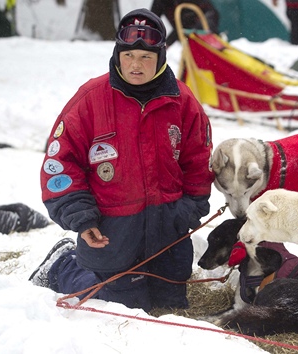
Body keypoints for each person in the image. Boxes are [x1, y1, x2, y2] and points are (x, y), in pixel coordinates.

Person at [30, 8, 214, 312]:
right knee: (119, 309)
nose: (136, 66)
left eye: (145, 57)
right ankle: (63, 265)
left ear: (161, 58)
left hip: (168, 232)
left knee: (170, 307)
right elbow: (61, 162)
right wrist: (81, 217)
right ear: (117, 54)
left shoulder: (182, 101)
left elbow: (199, 159)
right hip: (111, 232)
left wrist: (189, 209)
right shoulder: (90, 99)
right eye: (129, 55)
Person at [150, 0, 219, 46]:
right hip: (186, 33)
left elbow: (186, 23)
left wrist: (167, 44)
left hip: (203, 28)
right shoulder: (160, 2)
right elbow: (151, 22)